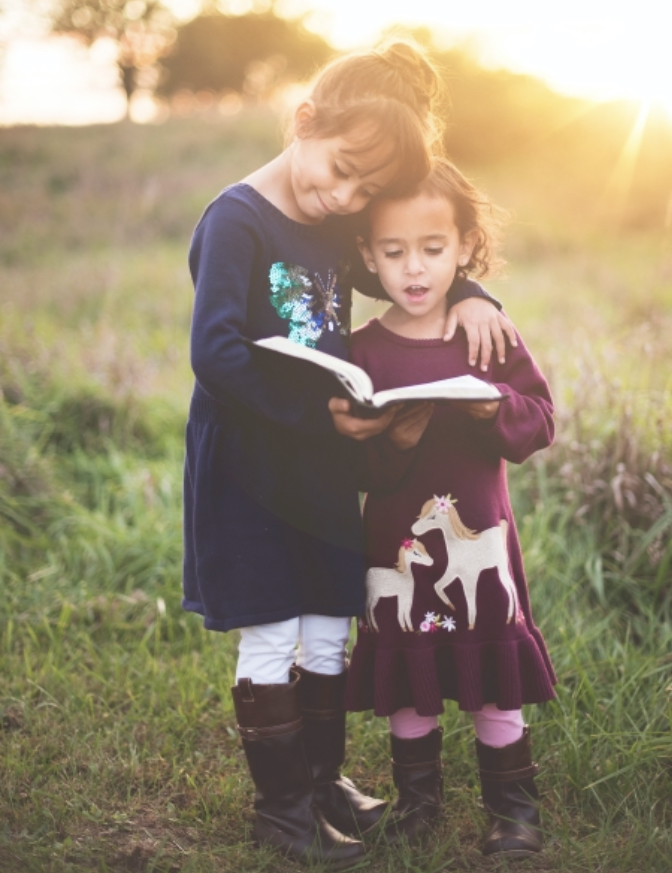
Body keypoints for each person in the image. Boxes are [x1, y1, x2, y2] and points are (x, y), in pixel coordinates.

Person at [182, 42, 516, 866]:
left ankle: (323, 782)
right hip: (250, 465)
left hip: (322, 465)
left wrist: (472, 291)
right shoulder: (236, 219)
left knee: (330, 624)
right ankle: (282, 812)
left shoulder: (334, 224)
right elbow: (214, 352)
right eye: (341, 171)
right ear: (304, 122)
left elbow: (403, 266)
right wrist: (316, 414)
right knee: (272, 628)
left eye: (365, 191)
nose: (345, 198)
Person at [344, 158, 557, 859]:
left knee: (495, 678)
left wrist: (494, 407)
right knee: (410, 674)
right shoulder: (362, 352)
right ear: (368, 255)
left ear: (464, 247)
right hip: (397, 544)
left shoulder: (486, 332)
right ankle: (418, 804)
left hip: (481, 538)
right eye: (393, 251)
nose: (414, 268)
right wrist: (394, 442)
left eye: (433, 249)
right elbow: (350, 467)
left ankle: (513, 810)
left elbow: (540, 421)